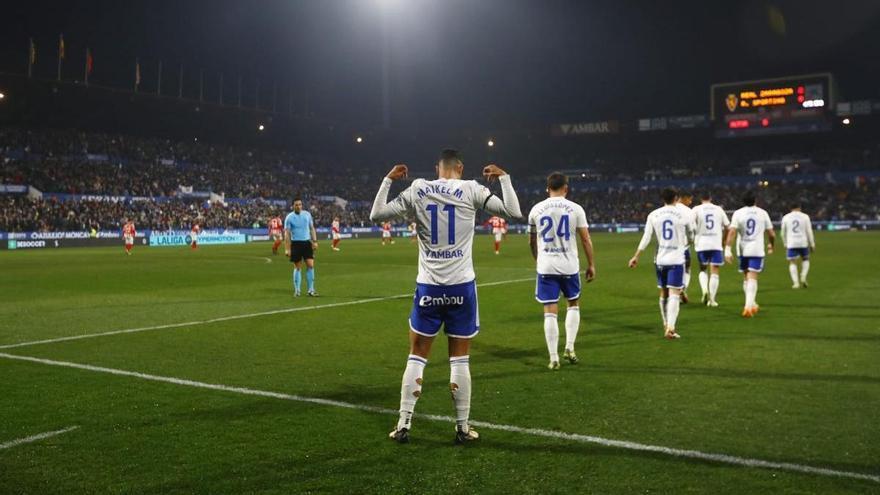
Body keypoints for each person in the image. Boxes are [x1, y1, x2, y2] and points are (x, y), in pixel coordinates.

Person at [369, 149, 521, 445]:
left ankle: (403, 424)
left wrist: (388, 179)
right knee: (459, 360)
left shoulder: (419, 189)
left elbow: (377, 214)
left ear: (436, 168)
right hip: (461, 288)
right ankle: (462, 429)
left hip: (428, 288)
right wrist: (504, 177)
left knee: (416, 356)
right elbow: (513, 212)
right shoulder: (472, 189)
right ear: (460, 167)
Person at [528, 173, 595, 370]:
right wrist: (591, 264)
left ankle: (553, 358)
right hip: (569, 266)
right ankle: (570, 348)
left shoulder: (536, 209)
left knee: (550, 311)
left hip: (546, 266)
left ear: (547, 188)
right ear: (566, 188)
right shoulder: (576, 209)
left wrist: (538, 259)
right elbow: (585, 239)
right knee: (573, 304)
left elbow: (531, 241)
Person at [628, 187, 693, 340]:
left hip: (660, 259)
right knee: (674, 293)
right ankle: (670, 328)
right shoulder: (683, 215)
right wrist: (685, 243)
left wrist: (636, 256)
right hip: (676, 259)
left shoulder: (654, 215)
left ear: (663, 199)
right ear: (676, 198)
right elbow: (691, 235)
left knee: (663, 293)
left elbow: (646, 237)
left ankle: (665, 323)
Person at [725, 191, 775, 317]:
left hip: (742, 249)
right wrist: (771, 244)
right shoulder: (762, 213)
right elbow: (772, 233)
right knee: (753, 276)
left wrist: (727, 249)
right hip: (757, 249)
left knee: (746, 277)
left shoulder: (738, 213)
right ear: (755, 201)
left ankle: (752, 304)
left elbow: (731, 232)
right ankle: (748, 307)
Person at [691, 192, 730, 306]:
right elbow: (728, 227)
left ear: (700, 199)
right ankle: (712, 300)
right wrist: (724, 240)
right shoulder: (718, 209)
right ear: (711, 198)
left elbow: (690, 225)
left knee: (703, 269)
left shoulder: (696, 209)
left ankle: (704, 290)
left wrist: (694, 235)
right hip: (715, 244)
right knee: (715, 271)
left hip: (701, 244)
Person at [284, 199, 319, 297]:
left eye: (300, 204)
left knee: (310, 265)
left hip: (307, 243)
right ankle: (297, 290)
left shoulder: (307, 214)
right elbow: (287, 234)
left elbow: (312, 228)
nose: (298, 206)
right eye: (296, 205)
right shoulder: (289, 218)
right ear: (293, 206)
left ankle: (311, 290)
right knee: (297, 267)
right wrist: (287, 248)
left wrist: (315, 241)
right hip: (296, 244)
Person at [781, 203, 815, 289]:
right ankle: (803, 276)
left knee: (792, 262)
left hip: (791, 242)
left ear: (790, 208)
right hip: (803, 242)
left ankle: (796, 283)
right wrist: (812, 244)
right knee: (805, 259)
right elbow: (809, 231)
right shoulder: (805, 217)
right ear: (799, 208)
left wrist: (785, 243)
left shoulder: (786, 217)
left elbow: (782, 233)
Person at [674, 192, 696, 303]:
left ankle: (673, 291)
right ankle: (683, 287)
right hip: (684, 246)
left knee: (673, 270)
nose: (690, 202)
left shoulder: (669, 209)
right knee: (686, 269)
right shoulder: (689, 211)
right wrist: (692, 240)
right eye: (690, 199)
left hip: (669, 247)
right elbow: (692, 229)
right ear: (684, 198)